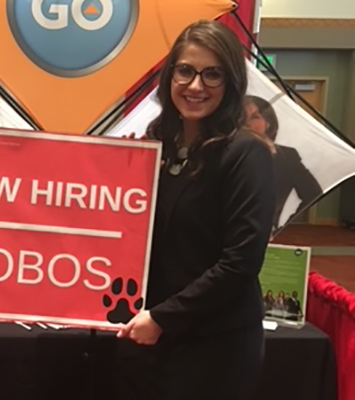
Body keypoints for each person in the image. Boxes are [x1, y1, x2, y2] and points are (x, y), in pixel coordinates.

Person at [117, 21, 275, 400]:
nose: (195, 86)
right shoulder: (155, 148)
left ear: (232, 82)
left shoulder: (245, 154)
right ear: (170, 76)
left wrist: (162, 318)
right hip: (148, 337)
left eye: (212, 74)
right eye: (185, 70)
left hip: (214, 346)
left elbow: (240, 262)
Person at [244, 95, 322, 233]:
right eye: (241, 117)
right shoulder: (224, 153)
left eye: (255, 117)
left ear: (268, 123)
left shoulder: (287, 157)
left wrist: (283, 227)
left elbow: (312, 192)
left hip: (263, 231)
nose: (246, 123)